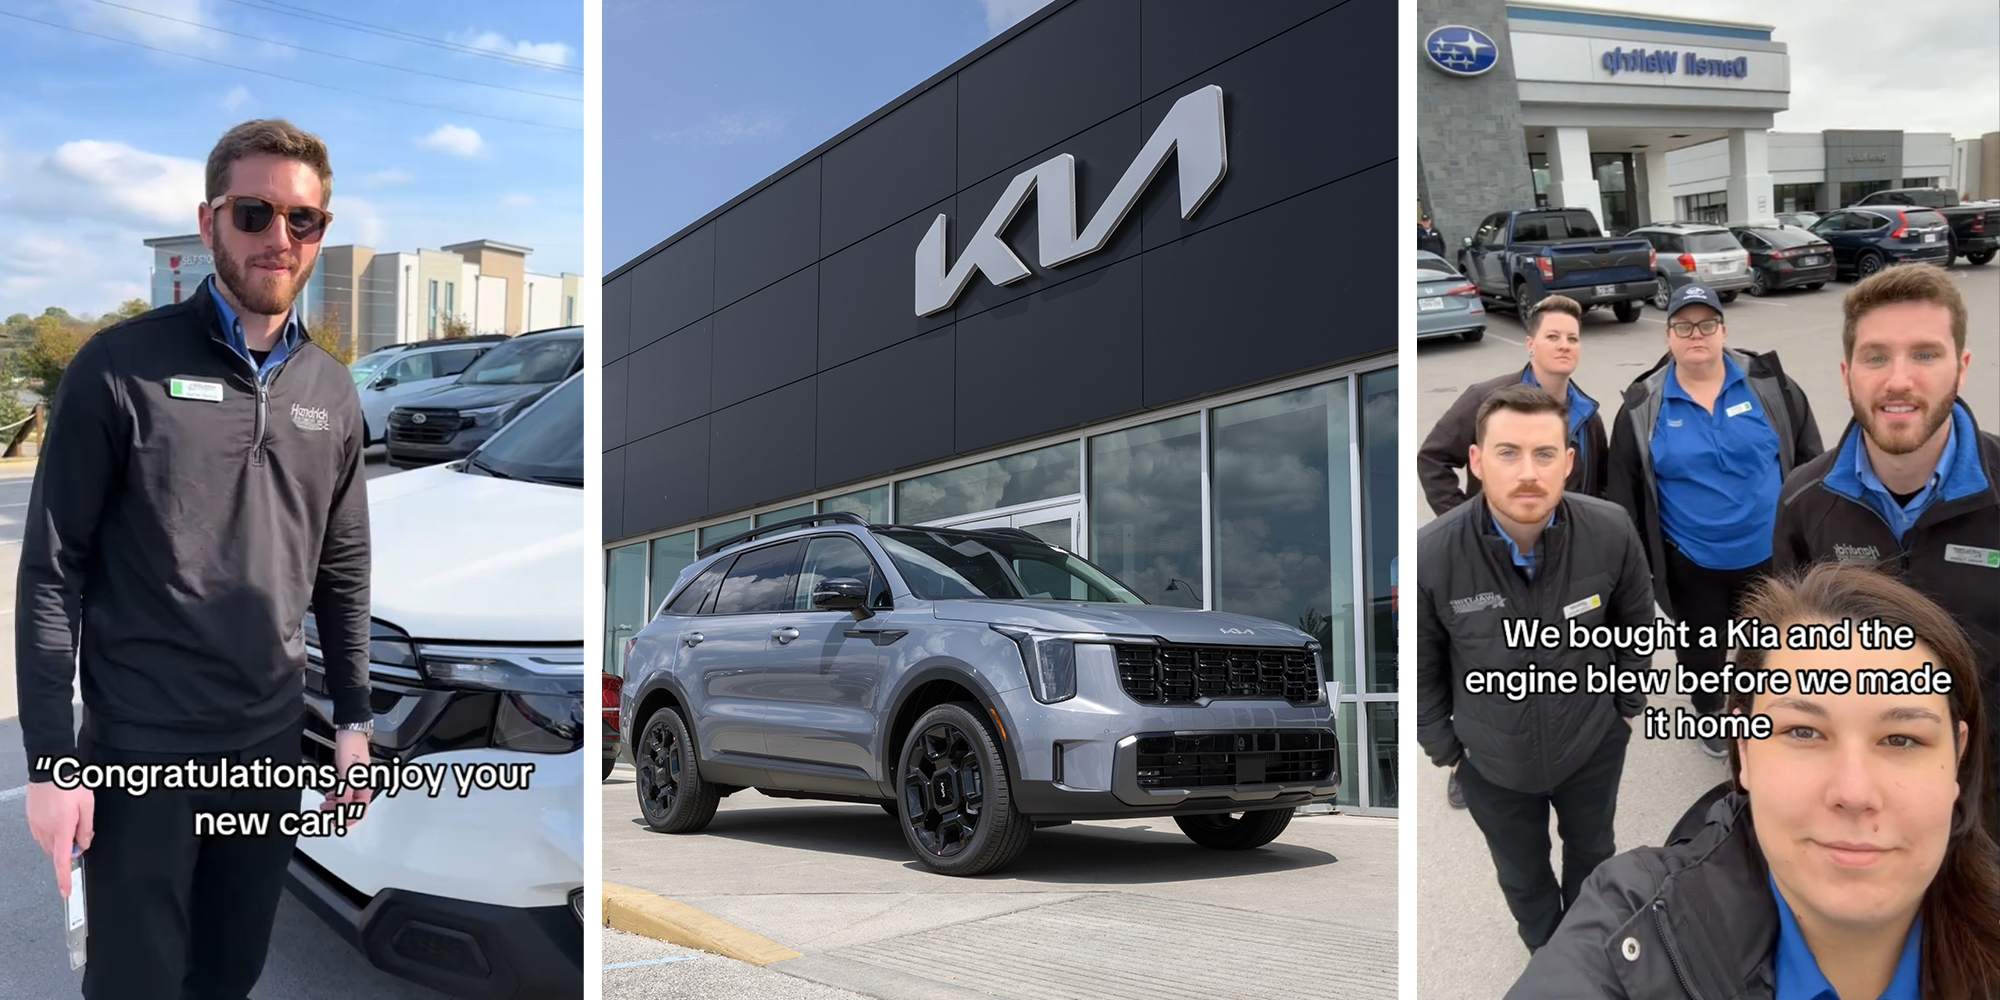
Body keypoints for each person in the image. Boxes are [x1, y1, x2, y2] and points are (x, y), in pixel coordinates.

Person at [16, 119, 373, 999]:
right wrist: (52, 763)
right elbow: (51, 571)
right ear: (209, 220)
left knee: (230, 973)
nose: (278, 240)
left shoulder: (331, 391)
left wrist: (354, 720)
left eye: (304, 221)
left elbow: (342, 566)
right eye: (254, 214)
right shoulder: (118, 369)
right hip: (140, 752)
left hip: (265, 750)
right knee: (136, 981)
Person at [1506, 563, 2000, 999]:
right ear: (1743, 748)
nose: (1854, 793)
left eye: (1901, 739)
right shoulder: (1631, 930)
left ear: (1957, 755)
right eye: (1803, 731)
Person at [1417, 383, 1656, 953]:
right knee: (1523, 879)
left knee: (1594, 859)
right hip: (1493, 765)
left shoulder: (1611, 530)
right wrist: (1450, 752)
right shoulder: (1435, 554)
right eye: (1508, 452)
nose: (1528, 471)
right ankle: (1550, 963)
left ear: (1568, 463)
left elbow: (1638, 627)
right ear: (1476, 461)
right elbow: (1422, 668)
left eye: (1545, 454)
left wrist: (1622, 713)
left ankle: (1589, 958)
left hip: (1591, 745)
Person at [1771, 265, 2000, 815]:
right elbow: (1785, 661)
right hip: (1854, 794)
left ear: (1960, 367)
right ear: (1848, 373)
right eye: (1877, 357)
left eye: (1925, 354)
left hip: (1985, 795)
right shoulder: (1803, 500)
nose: (1899, 380)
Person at [1607, 282, 1822, 757]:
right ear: (1668, 336)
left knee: (1770, 649)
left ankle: (1765, 715)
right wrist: (1633, 565)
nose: (1695, 334)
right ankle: (1709, 715)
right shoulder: (1643, 405)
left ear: (1723, 330)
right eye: (1683, 326)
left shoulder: (1771, 386)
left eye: (1706, 324)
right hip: (1691, 563)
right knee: (1702, 654)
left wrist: (1815, 537)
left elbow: (1811, 462)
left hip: (1770, 557)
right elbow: (1622, 491)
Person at [1420, 293, 1609, 516]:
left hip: (1567, 544)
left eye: (1572, 339)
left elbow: (1601, 486)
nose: (1564, 346)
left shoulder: (1588, 416)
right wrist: (1466, 522)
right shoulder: (1486, 400)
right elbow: (1432, 458)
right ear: (1531, 344)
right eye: (1552, 337)